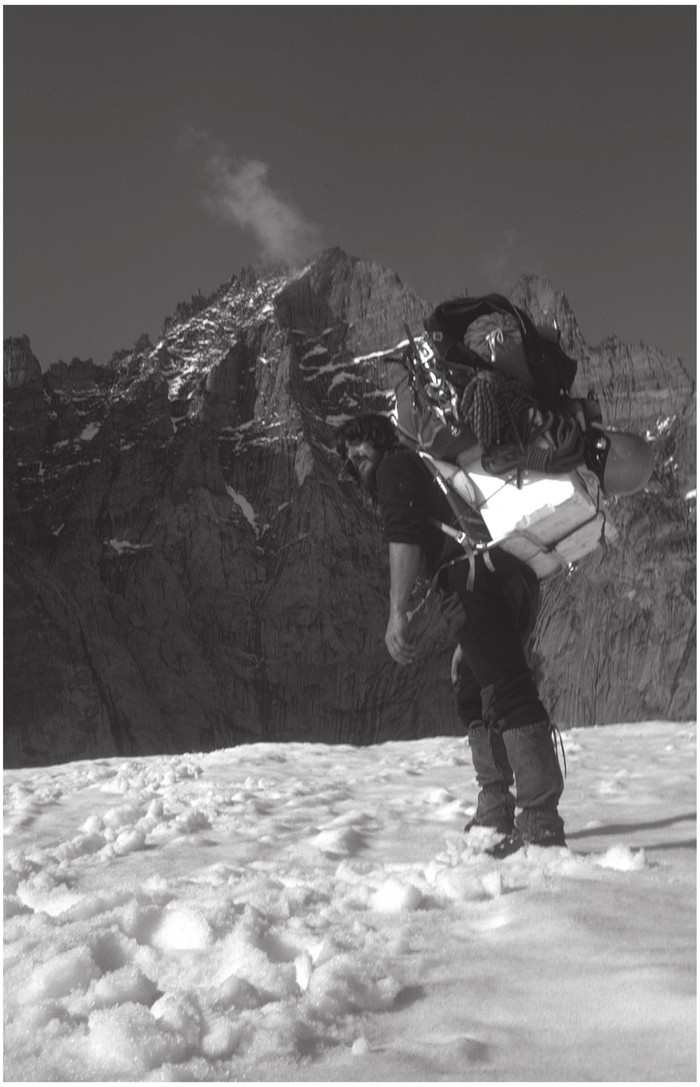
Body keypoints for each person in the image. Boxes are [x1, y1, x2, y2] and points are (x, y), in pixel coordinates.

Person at [335, 412, 566, 853]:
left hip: (475, 574)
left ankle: (539, 821)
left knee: (508, 688)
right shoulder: (425, 469)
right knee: (473, 689)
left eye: (360, 444)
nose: (354, 456)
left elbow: (403, 535)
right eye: (348, 454)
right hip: (507, 572)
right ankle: (496, 809)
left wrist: (396, 613)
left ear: (382, 440)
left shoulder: (395, 466)